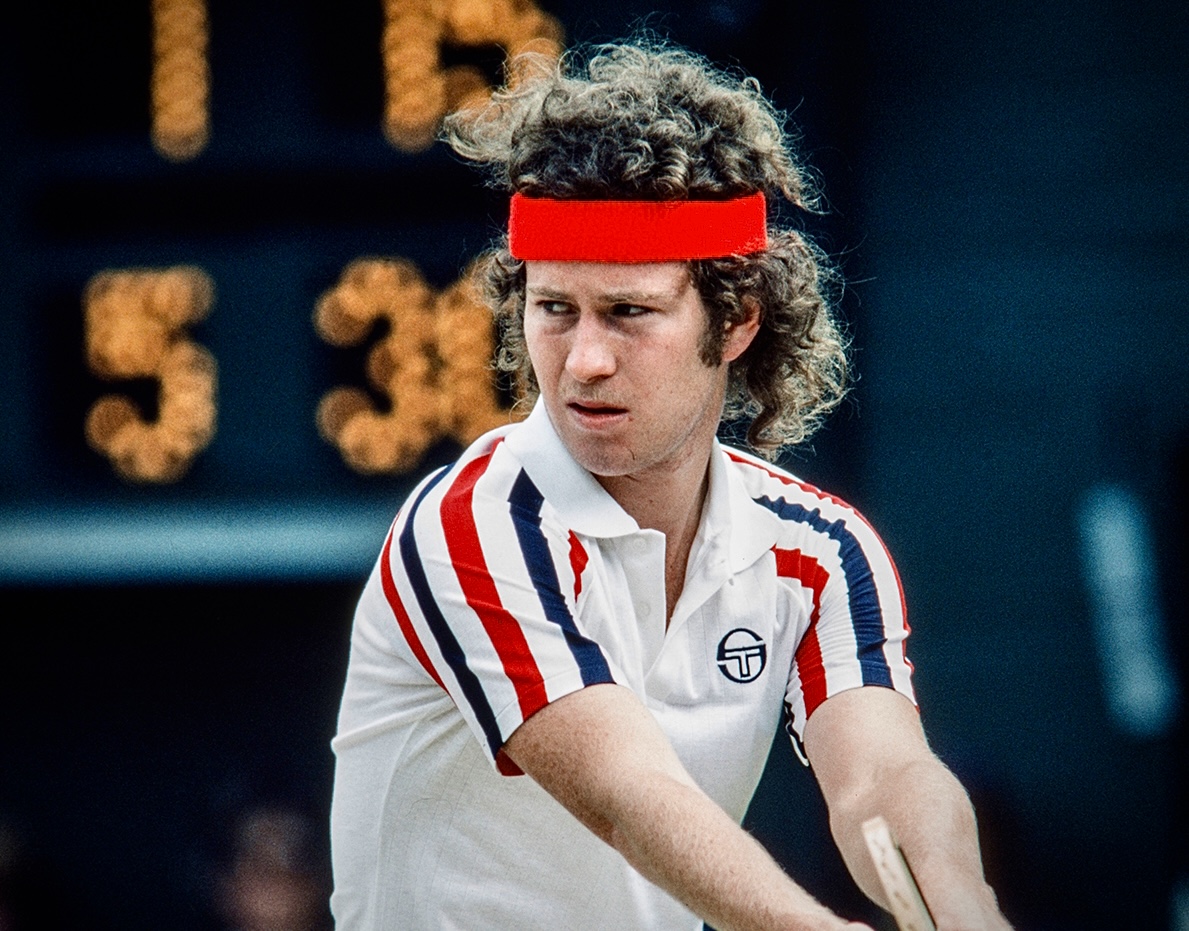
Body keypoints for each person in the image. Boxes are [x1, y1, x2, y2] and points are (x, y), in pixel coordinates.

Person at [329, 40, 1013, 931]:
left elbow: (881, 779)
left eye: (629, 312)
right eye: (554, 308)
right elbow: (629, 794)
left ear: (736, 322)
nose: (583, 359)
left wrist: (968, 912)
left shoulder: (820, 549)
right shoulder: (472, 523)